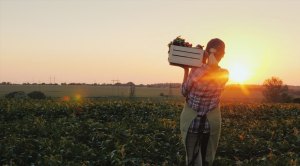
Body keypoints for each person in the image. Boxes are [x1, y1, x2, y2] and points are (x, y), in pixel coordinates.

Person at [180, 38, 229, 166]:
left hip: (192, 124)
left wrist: (187, 69)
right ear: (223, 55)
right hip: (209, 125)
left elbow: (184, 91)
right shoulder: (224, 74)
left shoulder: (196, 71)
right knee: (206, 159)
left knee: (192, 160)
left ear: (206, 53)